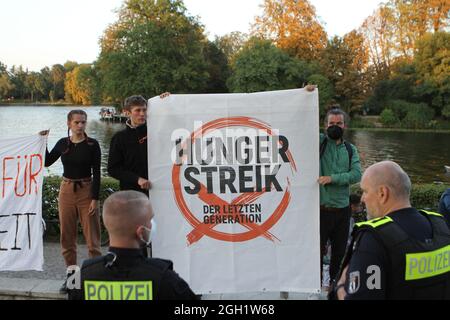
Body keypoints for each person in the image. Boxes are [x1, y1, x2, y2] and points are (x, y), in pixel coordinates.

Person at [332, 161, 450, 300]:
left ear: (383, 193)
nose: (363, 199)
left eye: (365, 191)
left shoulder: (374, 238)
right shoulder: (441, 226)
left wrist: (340, 287)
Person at [68, 191, 197, 300]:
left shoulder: (80, 277)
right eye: (150, 219)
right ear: (141, 232)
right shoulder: (165, 279)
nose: (153, 224)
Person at [40, 110, 102, 294]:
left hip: (86, 190)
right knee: (67, 239)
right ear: (69, 124)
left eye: (83, 122)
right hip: (66, 191)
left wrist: (95, 198)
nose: (80, 126)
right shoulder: (62, 143)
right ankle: (73, 280)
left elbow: (97, 172)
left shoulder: (92, 144)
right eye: (76, 122)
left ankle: (94, 280)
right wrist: (43, 142)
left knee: (93, 240)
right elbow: (47, 162)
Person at [318, 107, 362, 287]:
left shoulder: (351, 149)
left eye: (339, 123)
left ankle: (334, 288)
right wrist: (306, 95)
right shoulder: (319, 143)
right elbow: (301, 128)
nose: (335, 126)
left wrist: (332, 179)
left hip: (342, 211)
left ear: (345, 126)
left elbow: (356, 175)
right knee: (316, 253)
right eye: (331, 123)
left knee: (339, 253)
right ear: (324, 125)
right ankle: (315, 285)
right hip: (320, 210)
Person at [108, 93, 170, 196]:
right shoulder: (119, 138)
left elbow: (171, 123)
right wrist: (137, 179)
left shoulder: (157, 133)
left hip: (159, 192)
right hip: (130, 192)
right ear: (127, 113)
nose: (142, 114)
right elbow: (113, 169)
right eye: (137, 110)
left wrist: (166, 101)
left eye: (144, 110)